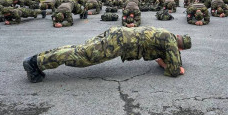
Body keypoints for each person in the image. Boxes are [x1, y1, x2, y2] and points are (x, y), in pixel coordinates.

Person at [23, 26, 192, 83]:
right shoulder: (171, 43)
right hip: (119, 43)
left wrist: (164, 60)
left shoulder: (166, 34)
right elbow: (175, 71)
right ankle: (35, 62)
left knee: (79, 49)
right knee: (83, 56)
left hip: (117, 33)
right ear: (181, 48)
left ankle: (38, 60)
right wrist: (170, 63)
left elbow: (160, 58)